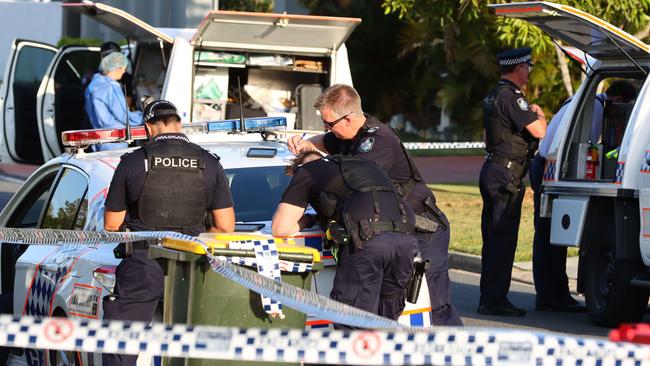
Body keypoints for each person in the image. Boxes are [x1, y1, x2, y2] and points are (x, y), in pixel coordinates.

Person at [287, 84, 462, 326]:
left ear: (348, 119)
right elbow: (323, 142)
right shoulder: (347, 134)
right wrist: (305, 145)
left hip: (423, 229)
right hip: (384, 230)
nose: (327, 129)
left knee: (435, 305)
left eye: (329, 124)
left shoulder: (377, 142)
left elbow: (352, 183)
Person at [102, 100, 235, 365]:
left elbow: (112, 224)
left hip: (142, 264)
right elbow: (225, 226)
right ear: (179, 124)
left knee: (121, 345)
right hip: (191, 265)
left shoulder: (132, 163)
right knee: (190, 349)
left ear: (149, 128)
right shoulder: (208, 162)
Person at [272, 150, 419, 326]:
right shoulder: (365, 166)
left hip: (368, 242)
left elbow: (280, 228)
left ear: (298, 168)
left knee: (353, 321)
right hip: (407, 240)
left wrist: (311, 219)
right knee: (387, 321)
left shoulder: (307, 171)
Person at [530, 81, 636, 312]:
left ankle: (548, 294)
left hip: (544, 164)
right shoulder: (597, 109)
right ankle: (553, 295)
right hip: (550, 168)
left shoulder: (587, 101)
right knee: (550, 237)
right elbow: (589, 145)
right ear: (618, 100)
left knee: (546, 235)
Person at [478, 47, 547, 317]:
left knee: (493, 237)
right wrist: (539, 114)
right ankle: (494, 300)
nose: (529, 70)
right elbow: (539, 131)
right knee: (502, 238)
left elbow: (487, 137)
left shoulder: (493, 95)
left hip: (494, 169)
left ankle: (491, 296)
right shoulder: (512, 98)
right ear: (519, 68)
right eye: (527, 66)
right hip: (506, 173)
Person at [84, 51, 143, 151]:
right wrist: (144, 116)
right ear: (116, 68)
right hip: (114, 141)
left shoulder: (94, 84)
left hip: (99, 139)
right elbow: (124, 116)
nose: (124, 72)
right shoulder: (111, 87)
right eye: (124, 69)